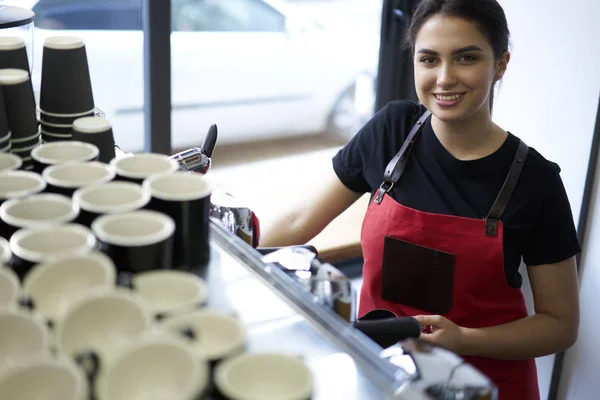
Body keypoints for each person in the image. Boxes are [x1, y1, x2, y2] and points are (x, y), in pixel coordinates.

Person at [260, 0, 581, 398]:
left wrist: (464, 339)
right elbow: (295, 222)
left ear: (500, 64)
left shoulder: (536, 181)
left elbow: (559, 325)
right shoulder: (391, 132)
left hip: (485, 385)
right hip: (380, 375)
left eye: (466, 57)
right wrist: (244, 267)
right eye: (428, 59)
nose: (444, 78)